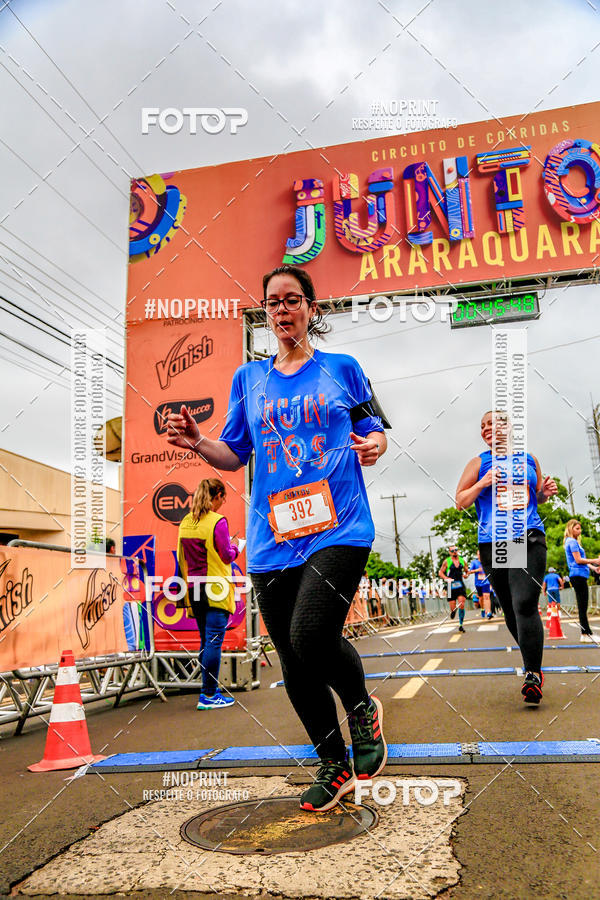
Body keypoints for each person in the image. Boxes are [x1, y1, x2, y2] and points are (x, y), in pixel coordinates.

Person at [166, 263, 389, 811]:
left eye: (292, 300)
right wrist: (198, 442)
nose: (282, 309)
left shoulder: (342, 368)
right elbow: (233, 453)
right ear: (265, 312)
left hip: (339, 525)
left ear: (312, 309)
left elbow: (373, 427)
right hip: (272, 536)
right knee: (290, 656)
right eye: (273, 302)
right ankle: (333, 764)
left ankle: (362, 709)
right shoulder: (249, 379)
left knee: (312, 634)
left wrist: (376, 444)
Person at [456, 410, 558, 704]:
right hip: (495, 541)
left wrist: (546, 493)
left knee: (525, 602)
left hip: (528, 536)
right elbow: (461, 501)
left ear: (508, 428)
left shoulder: (529, 459)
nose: (487, 429)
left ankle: (533, 675)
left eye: (493, 423)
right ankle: (532, 663)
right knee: (512, 609)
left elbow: (536, 496)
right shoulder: (479, 462)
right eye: (482, 425)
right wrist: (482, 483)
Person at [177, 478, 240, 708]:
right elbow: (226, 555)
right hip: (215, 588)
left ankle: (208, 692)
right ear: (218, 496)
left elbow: (180, 556)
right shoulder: (217, 521)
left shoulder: (185, 521)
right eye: (224, 498)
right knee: (213, 642)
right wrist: (236, 548)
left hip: (193, 588)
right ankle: (209, 694)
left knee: (206, 641)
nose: (224, 502)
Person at [563, 519, 600, 643]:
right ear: (571, 529)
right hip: (578, 576)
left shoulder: (572, 542)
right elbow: (578, 560)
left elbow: (581, 560)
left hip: (579, 575)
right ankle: (585, 633)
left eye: (580, 528)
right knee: (582, 606)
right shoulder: (572, 542)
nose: (579, 531)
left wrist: (594, 567)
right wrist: (594, 560)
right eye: (577, 528)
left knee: (583, 605)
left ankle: (586, 633)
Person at [439, 547, 469, 632]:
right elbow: (440, 572)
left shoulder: (462, 560)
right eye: (452, 551)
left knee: (461, 603)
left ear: (458, 551)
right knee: (453, 608)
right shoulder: (447, 561)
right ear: (449, 552)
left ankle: (461, 625)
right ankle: (453, 612)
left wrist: (467, 575)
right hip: (450, 586)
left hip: (460, 585)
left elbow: (467, 571)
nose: (454, 552)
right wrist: (446, 578)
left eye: (456, 550)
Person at [469, 550, 492, 618]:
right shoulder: (474, 562)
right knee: (481, 598)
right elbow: (469, 571)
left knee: (486, 596)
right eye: (478, 554)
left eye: (481, 554)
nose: (480, 555)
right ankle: (482, 609)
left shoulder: (486, 561)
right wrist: (477, 570)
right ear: (477, 555)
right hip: (478, 583)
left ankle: (488, 612)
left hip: (486, 582)